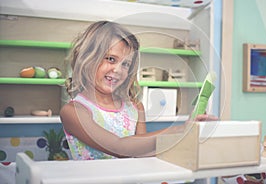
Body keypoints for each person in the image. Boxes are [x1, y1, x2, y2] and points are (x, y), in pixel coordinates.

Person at [60, 20, 217, 160]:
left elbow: (140, 153)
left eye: (126, 64)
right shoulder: (74, 111)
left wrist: (186, 137)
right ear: (87, 59)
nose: (118, 70)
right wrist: (181, 129)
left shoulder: (135, 107)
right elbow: (118, 147)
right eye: (111, 59)